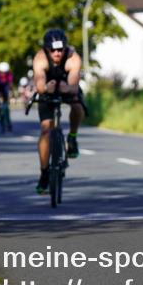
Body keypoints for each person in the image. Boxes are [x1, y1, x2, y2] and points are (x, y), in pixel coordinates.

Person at [31, 29, 85, 194]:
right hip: (47, 90)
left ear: (65, 48)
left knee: (77, 106)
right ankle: (44, 172)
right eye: (53, 50)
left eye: (60, 49)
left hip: (67, 87)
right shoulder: (40, 58)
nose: (57, 53)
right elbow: (39, 86)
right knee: (46, 129)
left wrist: (66, 88)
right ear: (47, 49)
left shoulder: (73, 58)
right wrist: (47, 88)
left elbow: (74, 87)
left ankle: (72, 137)